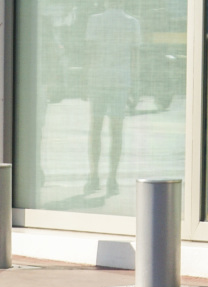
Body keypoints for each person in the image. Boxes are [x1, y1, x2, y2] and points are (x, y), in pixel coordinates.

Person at [84, 0, 141, 197]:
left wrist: (86, 80)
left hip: (98, 79)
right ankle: (112, 178)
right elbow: (135, 57)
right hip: (121, 80)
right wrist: (135, 86)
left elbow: (90, 53)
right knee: (116, 131)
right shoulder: (132, 23)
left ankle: (93, 175)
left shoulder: (94, 20)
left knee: (95, 128)